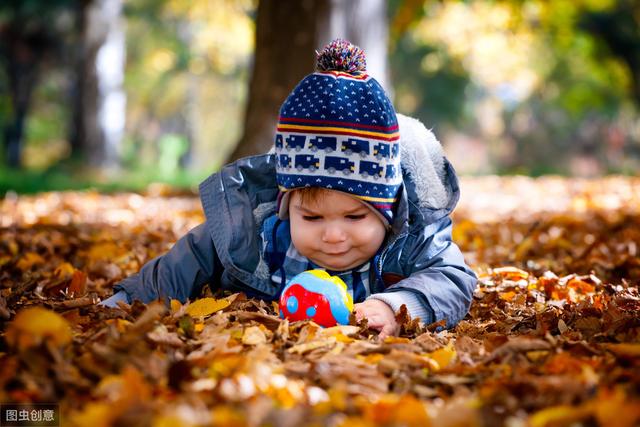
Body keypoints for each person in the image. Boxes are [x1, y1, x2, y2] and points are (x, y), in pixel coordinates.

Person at [100, 39, 477, 338]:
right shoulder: (254, 235)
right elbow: (185, 262)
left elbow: (451, 278)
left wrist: (398, 306)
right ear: (285, 207)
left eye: (355, 215)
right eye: (311, 216)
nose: (333, 235)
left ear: (388, 208)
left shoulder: (410, 239)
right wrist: (127, 302)